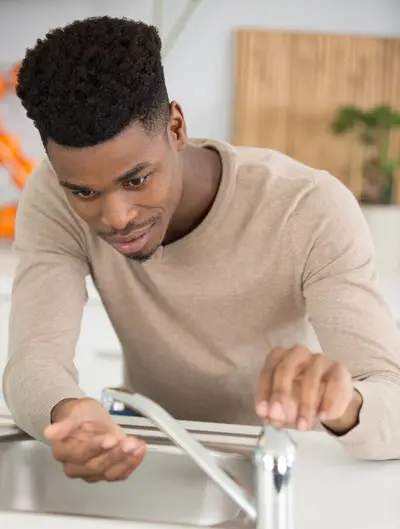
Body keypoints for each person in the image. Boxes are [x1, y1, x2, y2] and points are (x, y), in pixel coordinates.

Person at [3, 16, 400, 484]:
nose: (116, 217)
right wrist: (68, 413)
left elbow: (390, 399)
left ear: (175, 127)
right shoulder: (51, 198)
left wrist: (344, 403)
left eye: (136, 179)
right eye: (84, 192)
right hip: (153, 453)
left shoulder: (308, 207)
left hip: (293, 461)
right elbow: (33, 363)